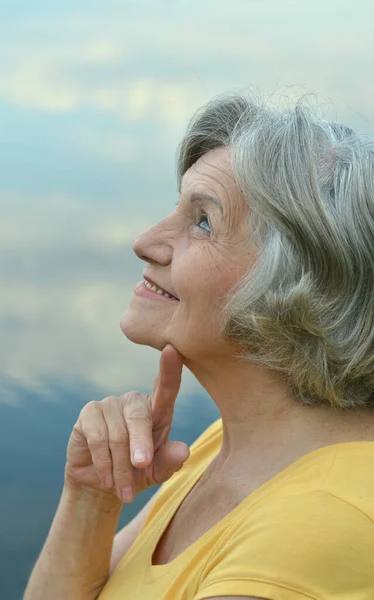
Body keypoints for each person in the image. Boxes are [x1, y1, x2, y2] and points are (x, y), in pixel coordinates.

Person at [24, 92, 374, 600]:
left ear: (300, 285)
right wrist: (92, 496)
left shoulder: (315, 525)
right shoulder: (226, 444)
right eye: (177, 207)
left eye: (203, 222)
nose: (145, 241)